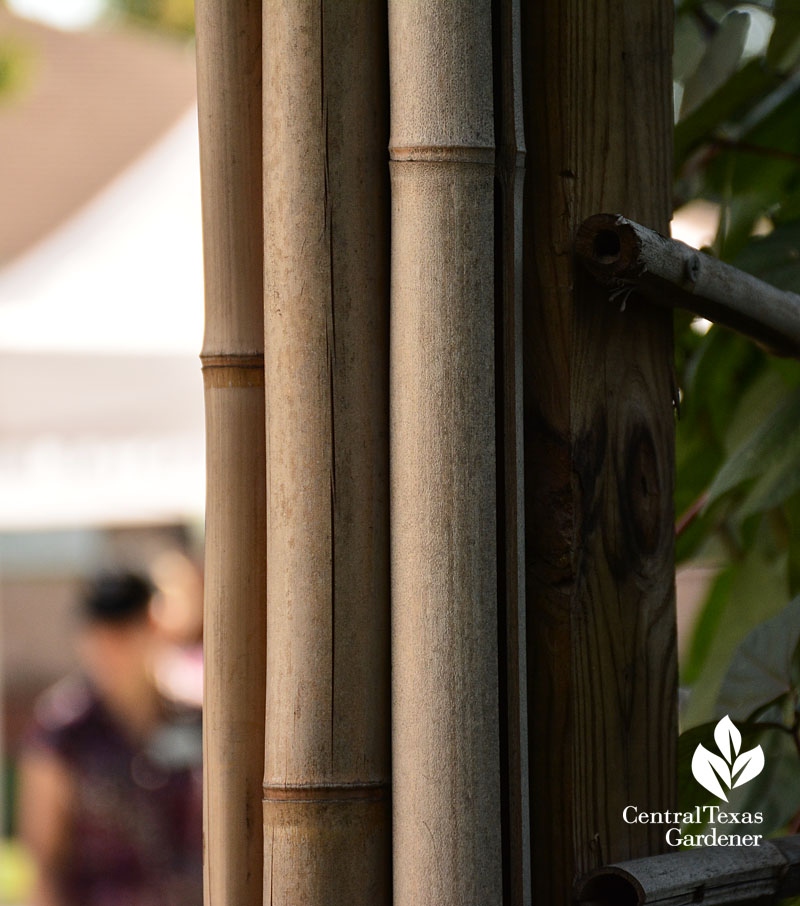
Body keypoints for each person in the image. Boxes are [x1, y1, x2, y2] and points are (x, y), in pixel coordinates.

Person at [17, 571, 202, 906]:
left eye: (121, 633)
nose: (107, 649)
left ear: (152, 628)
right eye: (96, 635)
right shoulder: (63, 729)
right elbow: (45, 860)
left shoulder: (193, 720)